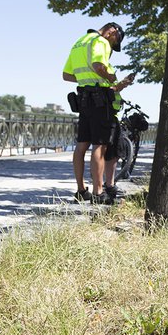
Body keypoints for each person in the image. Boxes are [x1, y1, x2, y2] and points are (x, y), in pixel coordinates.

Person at [62, 21, 125, 204]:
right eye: (115, 42)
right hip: (100, 101)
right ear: (111, 31)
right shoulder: (100, 41)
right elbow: (99, 65)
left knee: (82, 145)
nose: (112, 47)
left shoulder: (80, 41)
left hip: (83, 99)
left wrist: (85, 80)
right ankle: (98, 193)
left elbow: (66, 75)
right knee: (100, 145)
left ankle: (81, 190)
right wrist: (110, 77)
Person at [102, 65, 137, 202]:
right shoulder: (101, 72)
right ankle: (107, 187)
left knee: (112, 153)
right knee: (109, 153)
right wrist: (122, 84)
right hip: (108, 114)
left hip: (111, 114)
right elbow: (112, 90)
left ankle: (108, 185)